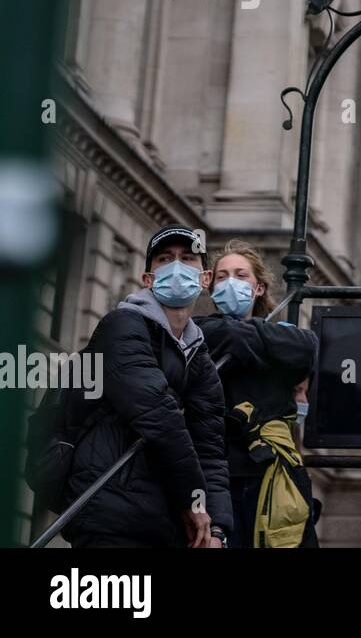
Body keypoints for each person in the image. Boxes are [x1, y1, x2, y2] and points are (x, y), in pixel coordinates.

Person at [53, 225, 232, 547]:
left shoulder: (198, 356)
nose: (176, 266)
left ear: (205, 279)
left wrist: (217, 527)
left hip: (164, 519)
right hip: (110, 508)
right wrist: (194, 503)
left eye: (187, 258)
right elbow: (158, 415)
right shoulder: (122, 325)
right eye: (165, 258)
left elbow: (211, 449)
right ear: (147, 279)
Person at [195, 239, 319, 548]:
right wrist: (266, 343)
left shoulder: (287, 337)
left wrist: (247, 337)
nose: (230, 283)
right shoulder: (201, 331)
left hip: (270, 476)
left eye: (240, 275)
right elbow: (219, 333)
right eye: (222, 277)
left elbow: (307, 346)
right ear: (210, 287)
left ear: (259, 288)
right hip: (219, 477)